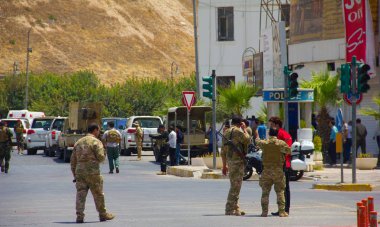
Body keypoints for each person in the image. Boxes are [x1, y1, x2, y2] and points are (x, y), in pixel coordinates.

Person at [70, 123, 114, 223]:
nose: (99, 132)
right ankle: (102, 214)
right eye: (98, 130)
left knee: (80, 194)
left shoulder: (79, 142)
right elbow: (101, 157)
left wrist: (75, 174)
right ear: (95, 130)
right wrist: (104, 150)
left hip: (80, 172)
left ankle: (79, 216)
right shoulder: (96, 142)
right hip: (93, 173)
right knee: (98, 194)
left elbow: (73, 161)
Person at [255, 128, 291, 217]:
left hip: (266, 171)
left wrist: (256, 134)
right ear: (277, 133)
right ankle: (282, 212)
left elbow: (257, 142)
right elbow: (289, 151)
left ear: (269, 133)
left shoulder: (264, 143)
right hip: (278, 171)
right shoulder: (281, 143)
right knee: (280, 192)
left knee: (265, 193)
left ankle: (264, 212)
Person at [221, 115, 251, 216]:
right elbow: (248, 140)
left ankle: (236, 208)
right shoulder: (238, 131)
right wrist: (245, 129)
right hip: (237, 162)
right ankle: (229, 209)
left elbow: (223, 151)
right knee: (236, 186)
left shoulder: (226, 132)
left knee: (235, 185)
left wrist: (224, 165)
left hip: (230, 161)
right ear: (240, 123)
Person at [268, 116, 292, 216]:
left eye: (272, 125)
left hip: (283, 164)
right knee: (280, 188)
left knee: (284, 188)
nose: (270, 127)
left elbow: (287, 149)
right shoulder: (280, 134)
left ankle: (285, 209)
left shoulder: (282, 134)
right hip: (280, 164)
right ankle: (281, 209)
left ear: (277, 125)